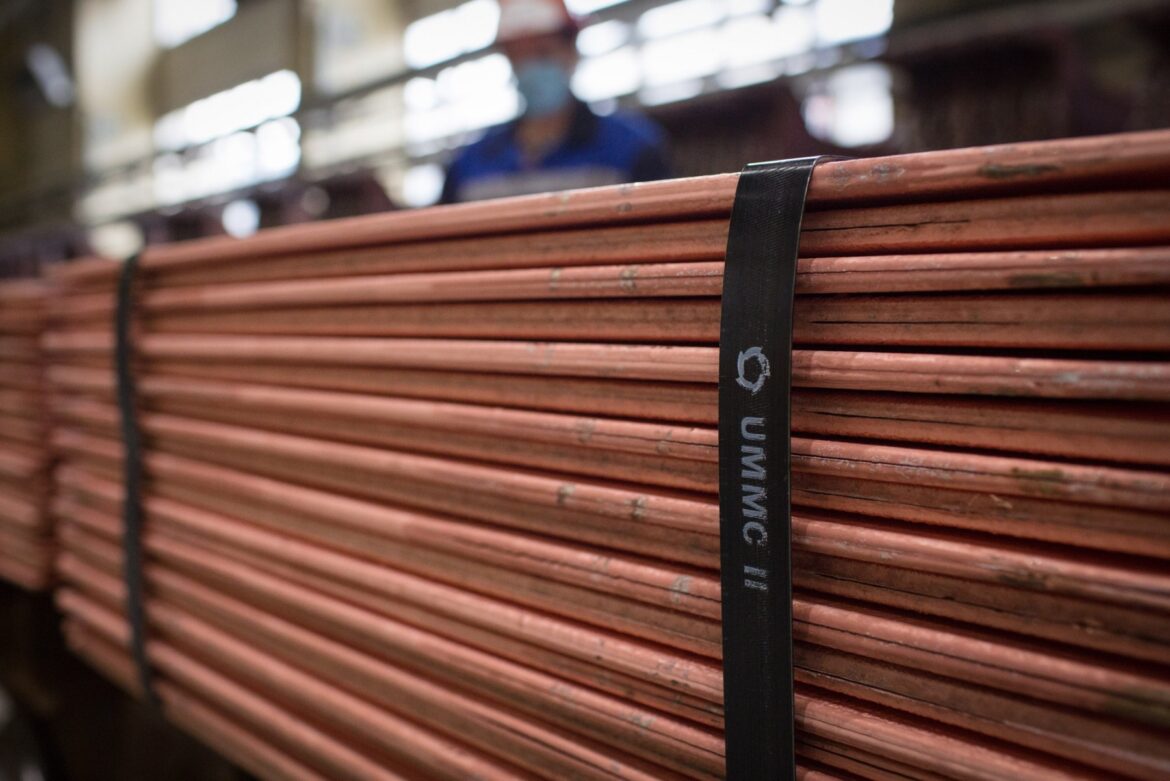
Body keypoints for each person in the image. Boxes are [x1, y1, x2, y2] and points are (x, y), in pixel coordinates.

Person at [440, 0, 671, 203]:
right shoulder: (468, 164)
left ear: (571, 53)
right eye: (520, 56)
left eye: (543, 53)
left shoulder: (631, 147)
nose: (531, 67)